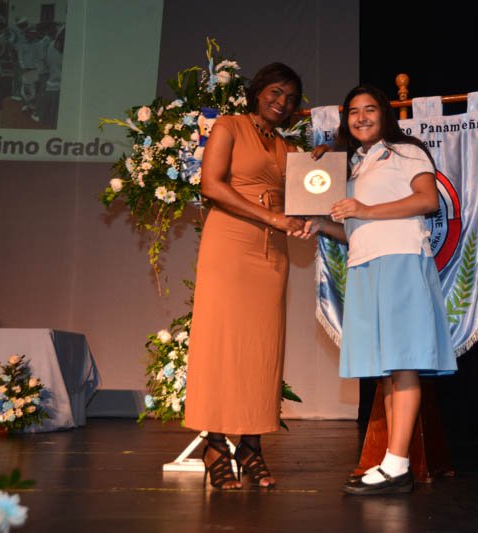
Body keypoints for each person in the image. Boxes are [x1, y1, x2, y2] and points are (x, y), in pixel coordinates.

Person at [303, 85, 457, 495]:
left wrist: (365, 209)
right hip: (365, 264)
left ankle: (398, 465)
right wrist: (323, 226)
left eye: (370, 109)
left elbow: (427, 200)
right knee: (387, 370)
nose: (361, 117)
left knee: (402, 363)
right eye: (353, 112)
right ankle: (392, 460)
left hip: (401, 260)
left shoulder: (406, 151)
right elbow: (355, 229)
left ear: (384, 113)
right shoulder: (354, 165)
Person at [184, 62, 305, 490]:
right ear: (258, 91)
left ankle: (251, 445)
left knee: (262, 347)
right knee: (222, 343)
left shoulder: (288, 147)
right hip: (231, 243)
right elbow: (211, 186)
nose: (282, 102)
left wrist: (320, 168)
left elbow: (307, 192)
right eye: (276, 92)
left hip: (272, 251)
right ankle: (215, 444)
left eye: (290, 98)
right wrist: (271, 216)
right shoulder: (230, 126)